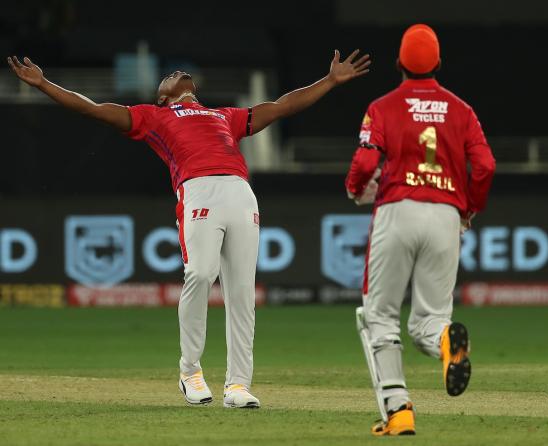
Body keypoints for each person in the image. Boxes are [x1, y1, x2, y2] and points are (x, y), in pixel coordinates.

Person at [8, 49, 370, 408]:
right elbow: (92, 108)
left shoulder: (223, 116)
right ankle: (189, 371)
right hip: (198, 192)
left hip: (241, 193)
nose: (176, 71)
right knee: (199, 273)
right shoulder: (153, 116)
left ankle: (239, 385)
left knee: (242, 292)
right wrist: (43, 84)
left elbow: (280, 106)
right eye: (167, 75)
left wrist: (329, 81)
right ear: (162, 95)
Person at [345, 24, 495, 435]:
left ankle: (399, 410)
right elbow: (485, 166)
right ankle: (448, 341)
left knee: (379, 316)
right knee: (428, 321)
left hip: (398, 209)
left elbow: (363, 164)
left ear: (398, 63)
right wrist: (469, 210)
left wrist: (355, 189)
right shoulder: (462, 111)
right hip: (446, 214)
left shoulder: (383, 107)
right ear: (439, 63)